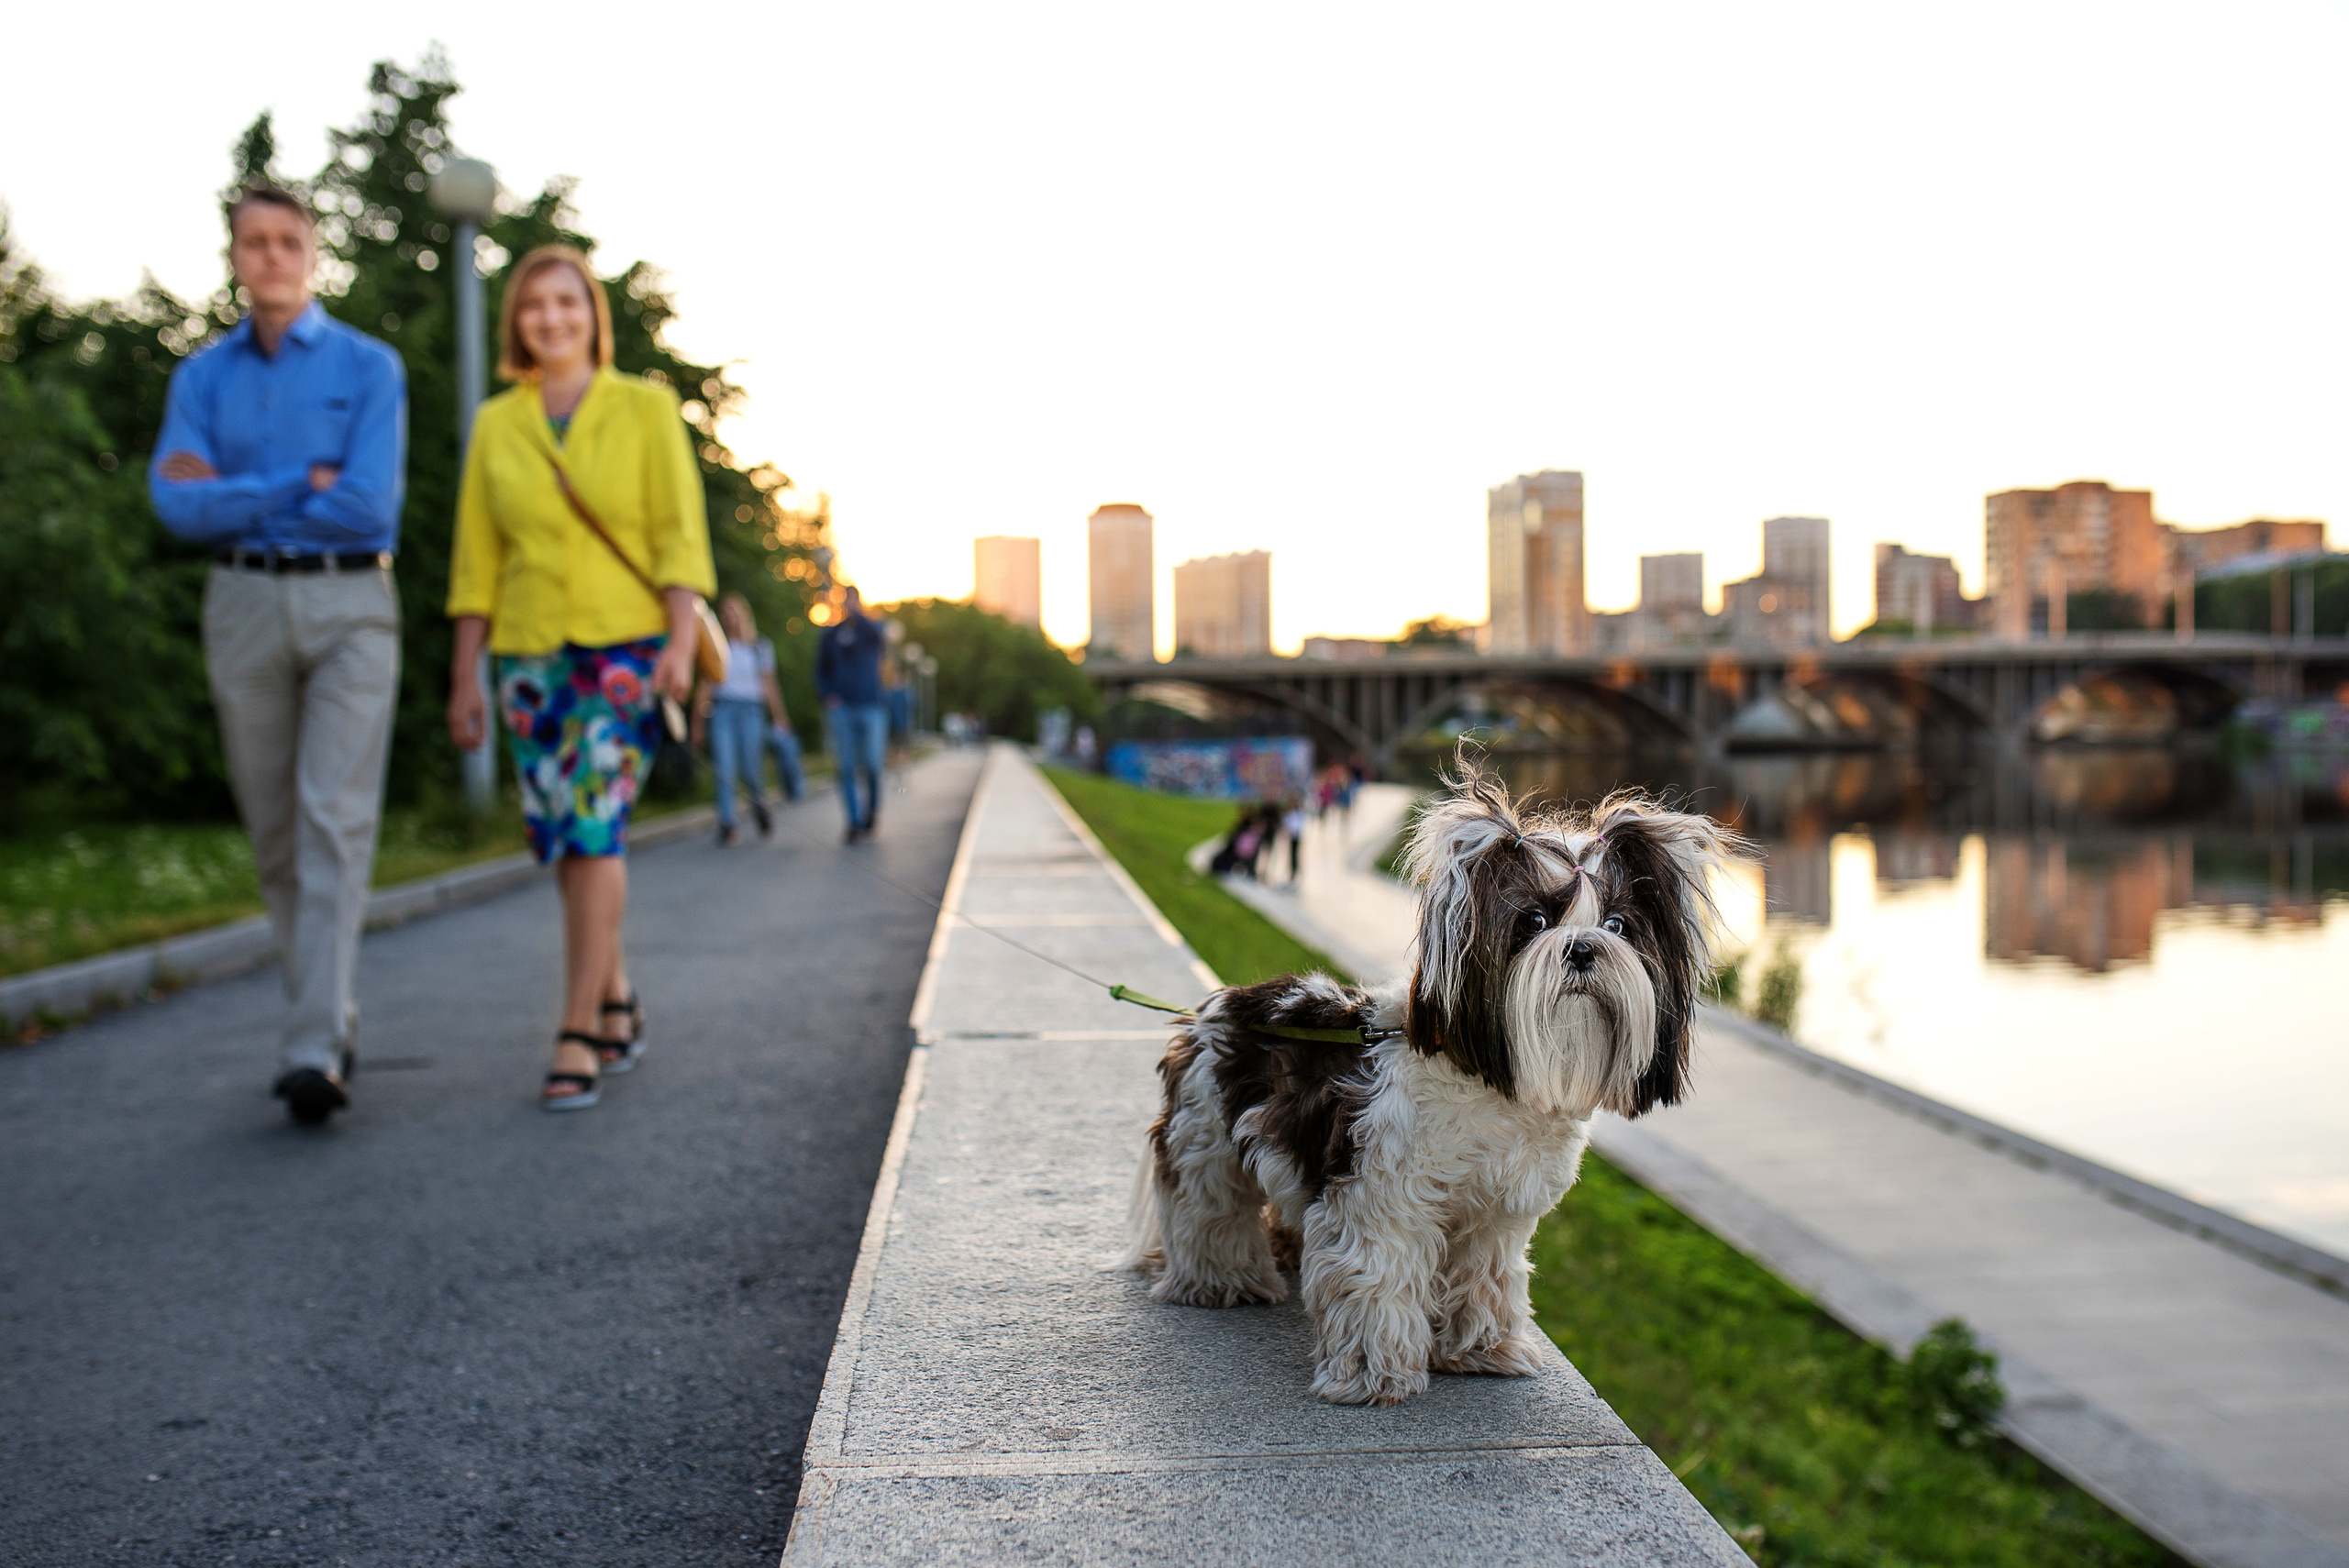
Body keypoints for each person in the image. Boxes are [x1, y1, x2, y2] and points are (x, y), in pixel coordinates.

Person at [149, 182, 407, 1126]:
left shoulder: (369, 368)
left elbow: (369, 504)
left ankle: (309, 1052)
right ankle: (329, 1015)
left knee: (330, 818)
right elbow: (178, 504)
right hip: (243, 602)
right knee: (277, 833)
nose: (271, 257)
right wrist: (302, 477)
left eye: (287, 240)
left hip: (350, 605)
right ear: (233, 255)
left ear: (312, 252)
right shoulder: (201, 380)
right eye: (253, 242)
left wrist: (234, 486)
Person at [444, 244, 715, 1111]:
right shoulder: (497, 422)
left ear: (592, 314)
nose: (551, 318)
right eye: (534, 306)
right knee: (566, 836)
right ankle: (616, 992)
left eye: (566, 302)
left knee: (596, 825)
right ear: (516, 323)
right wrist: (464, 677)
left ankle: (575, 1030)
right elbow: (475, 559)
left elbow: (678, 534)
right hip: (527, 654)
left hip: (624, 649)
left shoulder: (644, 408)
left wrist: (678, 642)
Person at [693, 591, 804, 845]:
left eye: (735, 612)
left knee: (751, 768)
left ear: (744, 615)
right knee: (725, 766)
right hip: (722, 711)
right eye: (727, 612)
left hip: (752, 711)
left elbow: (769, 684)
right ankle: (728, 823)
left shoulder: (759, 647)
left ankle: (758, 804)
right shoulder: (716, 646)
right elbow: (706, 685)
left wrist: (780, 718)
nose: (731, 617)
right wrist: (696, 722)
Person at [815, 585, 889, 843]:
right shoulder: (832, 634)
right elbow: (821, 669)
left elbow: (881, 643)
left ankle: (872, 810)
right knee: (846, 766)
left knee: (872, 763)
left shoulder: (872, 629)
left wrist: (861, 616)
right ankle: (854, 821)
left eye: (853, 600)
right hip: (842, 709)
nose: (849, 604)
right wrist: (828, 695)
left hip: (870, 706)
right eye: (845, 600)